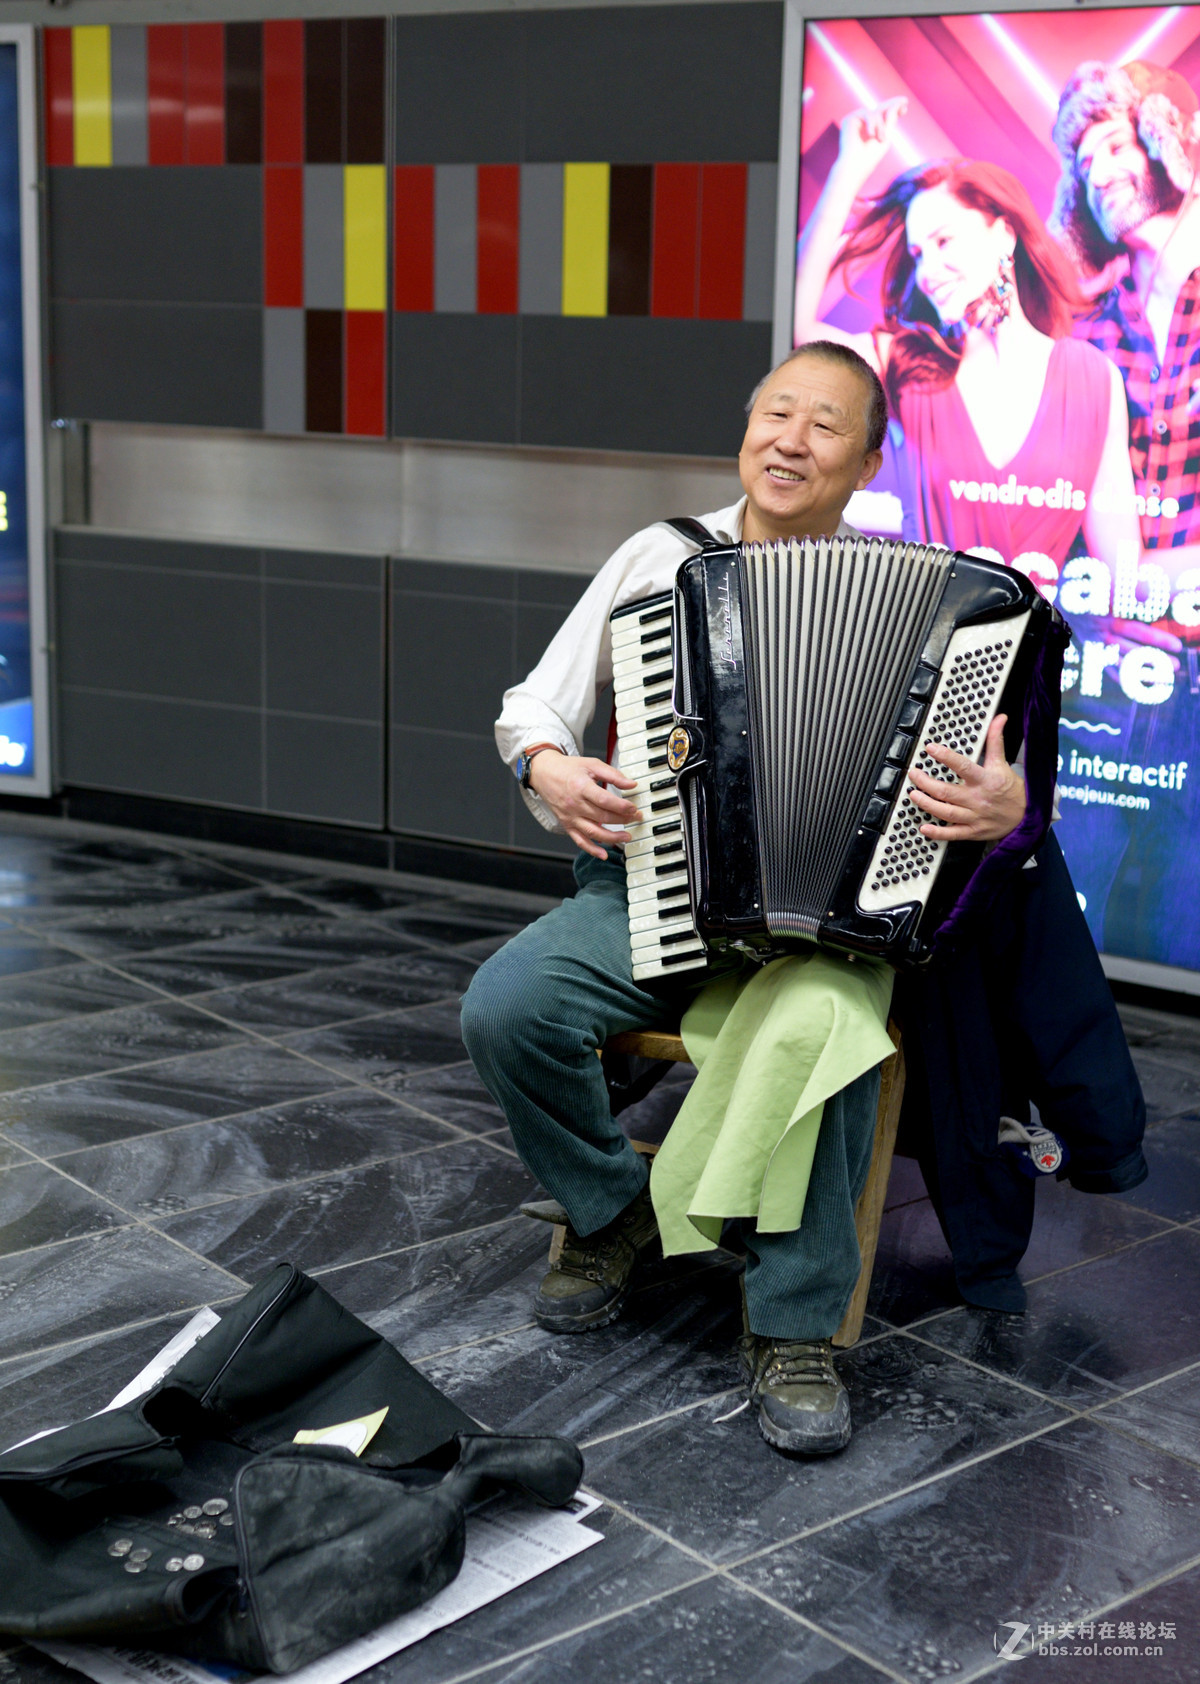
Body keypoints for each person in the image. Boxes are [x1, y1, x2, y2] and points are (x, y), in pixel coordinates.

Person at [461, 342, 1036, 1458]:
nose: (792, 440)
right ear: (746, 429)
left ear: (869, 461)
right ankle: (610, 1210)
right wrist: (546, 765)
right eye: (778, 414)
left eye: (826, 426)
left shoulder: (936, 610)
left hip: (829, 920)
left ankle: (794, 1326)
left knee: (830, 1028)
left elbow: (1002, 782)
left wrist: (1006, 806)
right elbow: (534, 700)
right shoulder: (660, 556)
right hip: (652, 886)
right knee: (509, 1007)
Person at [793, 100, 1143, 576]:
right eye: (918, 254)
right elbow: (798, 326)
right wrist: (848, 169)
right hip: (921, 644)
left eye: (944, 241)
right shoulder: (904, 364)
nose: (928, 272)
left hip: (1041, 646)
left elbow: (1122, 570)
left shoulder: (1093, 377)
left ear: (1004, 234)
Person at [1048, 59, 1200, 967]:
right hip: (1118, 644)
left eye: (1113, 145)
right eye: (1084, 161)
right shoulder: (1087, 322)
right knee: (1077, 872)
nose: (1100, 173)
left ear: (1159, 141)